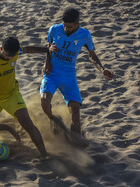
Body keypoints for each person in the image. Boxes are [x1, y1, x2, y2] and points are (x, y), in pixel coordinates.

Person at [41, 8, 113, 138]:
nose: (66, 29)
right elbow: (48, 48)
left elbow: (92, 56)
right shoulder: (54, 29)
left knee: (75, 110)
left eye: (69, 27)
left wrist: (102, 69)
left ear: (77, 25)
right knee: (45, 101)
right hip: (52, 73)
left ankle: (75, 141)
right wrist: (47, 62)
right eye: (64, 26)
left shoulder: (85, 35)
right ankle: (53, 119)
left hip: (69, 76)